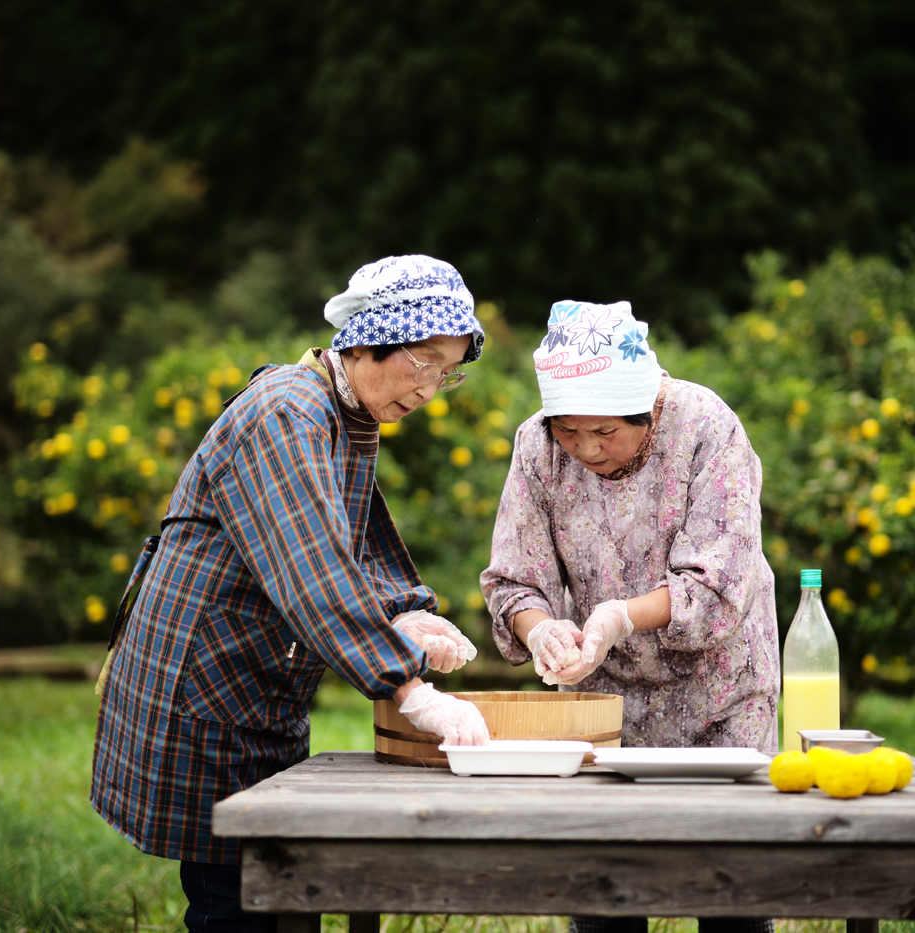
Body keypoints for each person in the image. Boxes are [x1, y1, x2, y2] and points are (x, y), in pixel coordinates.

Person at [92, 255, 491, 933]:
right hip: (204, 685)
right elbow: (313, 569)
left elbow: (356, 536)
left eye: (446, 371)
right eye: (422, 361)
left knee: (280, 889)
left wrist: (408, 611)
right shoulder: (286, 411)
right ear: (366, 340)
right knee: (241, 898)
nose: (430, 388)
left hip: (252, 686)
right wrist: (410, 691)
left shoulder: (341, 413)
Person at [481, 300, 778, 933]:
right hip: (606, 701)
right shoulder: (538, 444)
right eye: (570, 431)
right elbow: (514, 580)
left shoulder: (706, 426)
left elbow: (719, 583)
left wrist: (618, 615)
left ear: (647, 408)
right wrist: (545, 630)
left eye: (606, 432)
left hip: (720, 698)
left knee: (730, 891)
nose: (586, 449)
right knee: (604, 888)